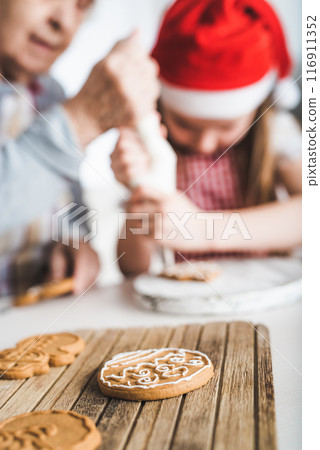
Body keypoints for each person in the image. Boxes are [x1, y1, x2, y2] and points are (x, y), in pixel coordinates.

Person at [111, 0, 302, 276]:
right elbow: (131, 267)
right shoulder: (151, 146)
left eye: (226, 127)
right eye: (184, 124)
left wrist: (205, 230)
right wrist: (139, 189)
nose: (205, 144)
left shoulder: (276, 132)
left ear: (258, 108)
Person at [0, 0, 159, 294]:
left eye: (81, 5)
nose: (65, 22)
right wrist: (80, 119)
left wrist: (75, 244)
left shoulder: (51, 94)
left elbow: (67, 209)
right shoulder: (68, 111)